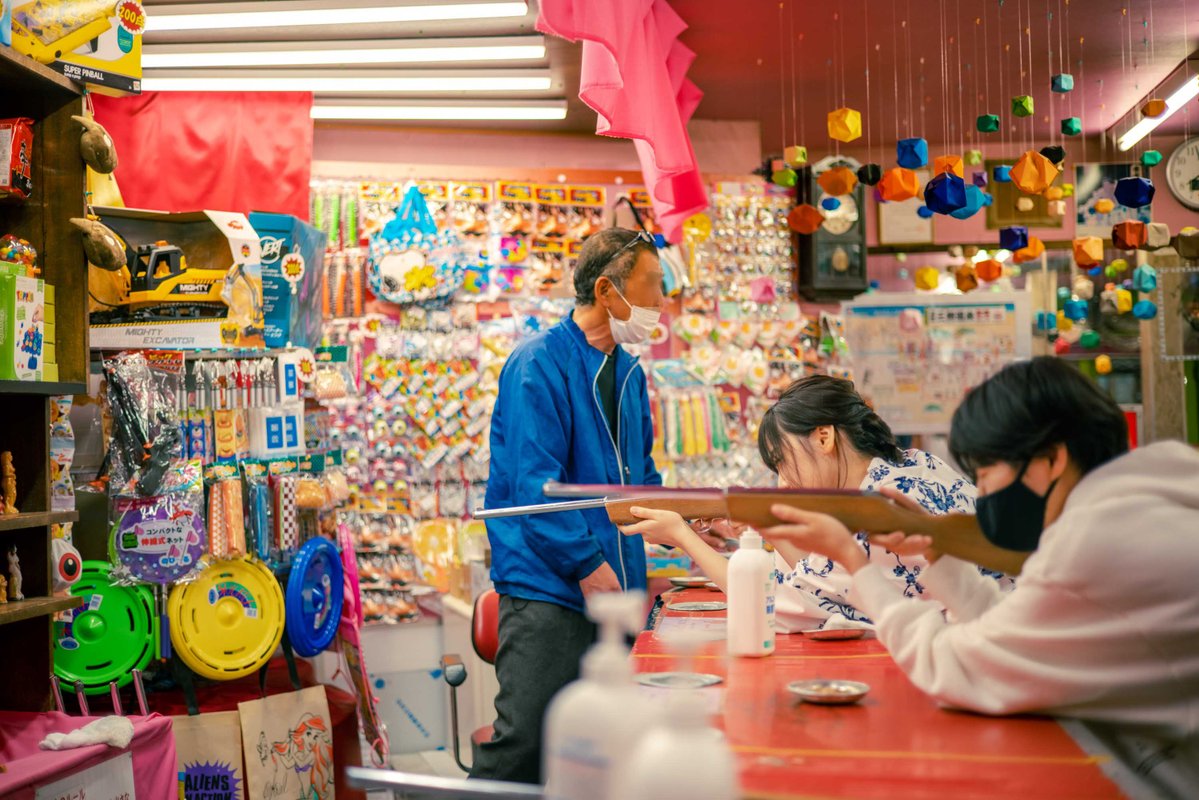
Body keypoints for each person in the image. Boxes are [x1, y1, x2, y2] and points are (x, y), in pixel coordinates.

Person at [761, 357, 1199, 796]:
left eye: (987, 476)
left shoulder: (1094, 543)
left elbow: (958, 668)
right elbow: (1016, 630)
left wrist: (853, 561)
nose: (982, 497)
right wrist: (936, 551)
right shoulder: (1143, 499)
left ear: (1051, 459)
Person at [475, 228, 664, 783]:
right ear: (608, 291)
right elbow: (537, 487)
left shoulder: (628, 375)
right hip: (548, 592)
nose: (660, 302)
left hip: (616, 589)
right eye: (652, 285)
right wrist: (585, 563)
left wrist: (695, 520)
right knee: (526, 746)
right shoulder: (538, 365)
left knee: (600, 752)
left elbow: (641, 479)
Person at [621, 375, 1003, 632]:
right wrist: (760, 524)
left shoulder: (877, 508)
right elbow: (813, 580)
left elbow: (776, 604)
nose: (783, 481)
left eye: (784, 462)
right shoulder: (912, 466)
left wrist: (683, 537)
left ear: (823, 438)